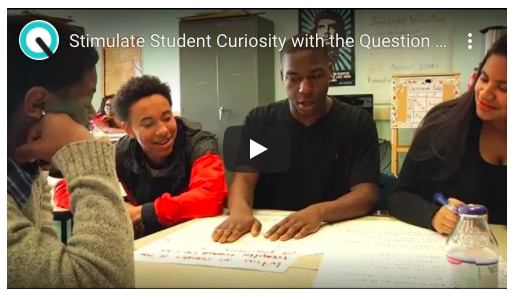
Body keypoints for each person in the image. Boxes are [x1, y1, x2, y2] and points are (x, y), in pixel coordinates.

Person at [212, 33, 380, 243]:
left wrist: (318, 213)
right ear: (282, 77)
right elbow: (244, 180)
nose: (305, 89)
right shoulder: (262, 121)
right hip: (269, 235)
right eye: (293, 78)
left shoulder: (356, 122)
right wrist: (240, 212)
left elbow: (367, 194)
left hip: (334, 231)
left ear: (330, 73)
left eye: (315, 76)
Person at [7, 14, 134, 288]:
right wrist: (85, 149)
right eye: (86, 99)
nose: (90, 113)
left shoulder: (21, 170)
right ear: (37, 102)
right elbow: (103, 283)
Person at [389, 34, 507, 235]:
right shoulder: (443, 123)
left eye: (504, 88)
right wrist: (434, 216)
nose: (485, 93)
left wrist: (491, 217)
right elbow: (400, 195)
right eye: (484, 79)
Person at [113, 75, 227, 237]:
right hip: (146, 241)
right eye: (148, 124)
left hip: (197, 236)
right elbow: (73, 188)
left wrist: (141, 213)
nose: (163, 130)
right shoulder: (121, 151)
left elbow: (210, 197)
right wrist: (117, 207)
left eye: (167, 118)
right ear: (129, 130)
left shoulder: (199, 143)